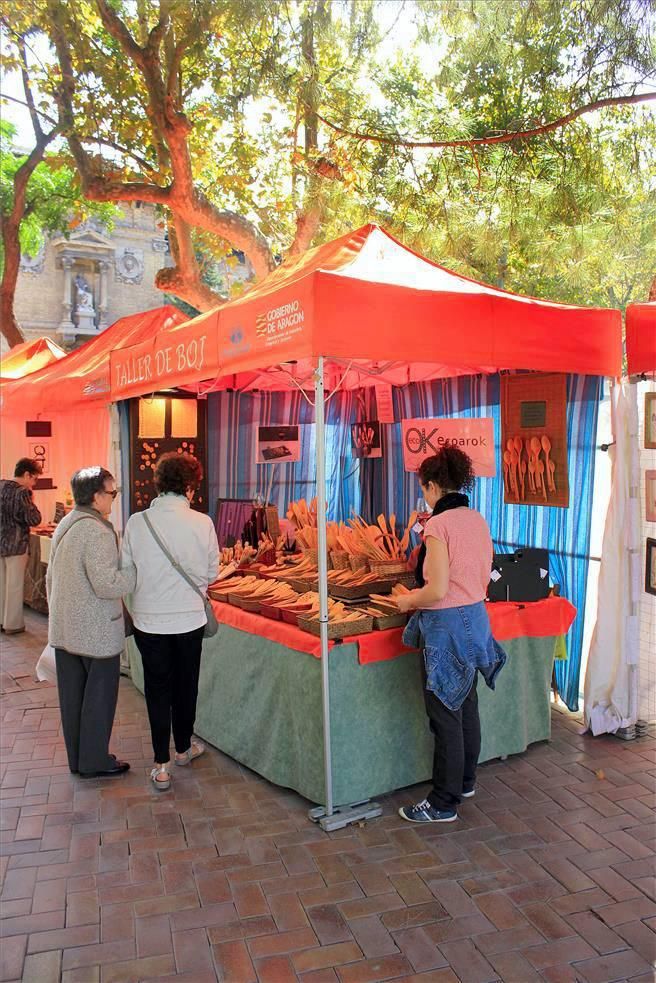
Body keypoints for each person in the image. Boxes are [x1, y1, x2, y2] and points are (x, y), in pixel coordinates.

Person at [395, 446, 506, 824]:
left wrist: (407, 600)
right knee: (466, 704)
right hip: (476, 618)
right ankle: (465, 780)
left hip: (446, 624)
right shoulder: (476, 518)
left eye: (423, 488)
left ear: (432, 486)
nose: (422, 494)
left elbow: (437, 588)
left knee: (444, 713)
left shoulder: (438, 526)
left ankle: (443, 802)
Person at [121, 453, 219, 791]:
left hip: (148, 620)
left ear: (159, 484)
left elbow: (127, 574)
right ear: (190, 486)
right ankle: (183, 748)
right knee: (186, 685)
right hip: (190, 618)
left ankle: (160, 765)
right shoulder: (202, 522)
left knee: (158, 689)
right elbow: (212, 572)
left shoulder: (137, 522)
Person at [47, 467, 135, 778]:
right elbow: (107, 584)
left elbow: (50, 578)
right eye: (113, 493)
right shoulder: (98, 531)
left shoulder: (66, 523)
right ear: (97, 496)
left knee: (72, 700)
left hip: (65, 628)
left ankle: (79, 760)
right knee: (98, 699)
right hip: (96, 632)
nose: (114, 499)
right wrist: (133, 574)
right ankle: (96, 761)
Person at [0, 458, 42, 634]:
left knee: (2, 584)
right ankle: (13, 624)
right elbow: (34, 519)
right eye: (34, 479)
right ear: (27, 474)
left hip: (1, 541)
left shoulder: (1, 485)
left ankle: (2, 621)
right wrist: (32, 500)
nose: (34, 483)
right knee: (15, 585)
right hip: (16, 544)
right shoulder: (22, 492)